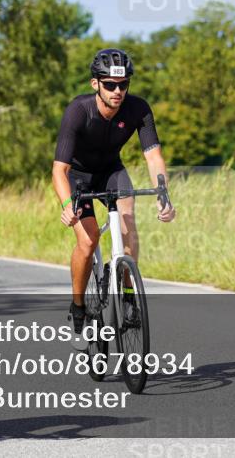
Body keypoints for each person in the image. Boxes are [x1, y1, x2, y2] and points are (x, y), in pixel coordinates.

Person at [52, 49, 176, 344]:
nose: (118, 91)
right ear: (95, 84)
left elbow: (154, 157)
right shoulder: (78, 111)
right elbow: (59, 170)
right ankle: (79, 306)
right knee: (88, 240)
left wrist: (163, 194)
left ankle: (129, 295)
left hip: (112, 172)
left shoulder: (139, 109)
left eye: (123, 85)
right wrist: (68, 206)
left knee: (128, 226)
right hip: (78, 177)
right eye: (110, 85)